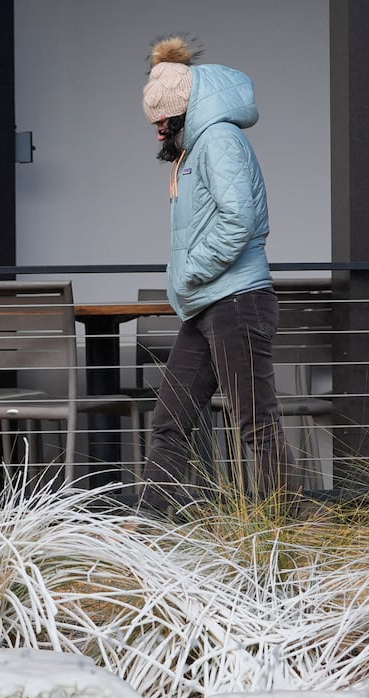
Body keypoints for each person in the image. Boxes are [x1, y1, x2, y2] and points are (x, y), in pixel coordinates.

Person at [138, 36, 295, 518]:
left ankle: (279, 532)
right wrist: (192, 283)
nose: (159, 133)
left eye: (163, 122)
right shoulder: (196, 148)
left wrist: (188, 273)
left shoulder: (220, 141)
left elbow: (237, 221)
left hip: (237, 302)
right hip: (209, 303)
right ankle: (150, 526)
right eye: (155, 124)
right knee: (171, 420)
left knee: (255, 423)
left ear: (182, 112)